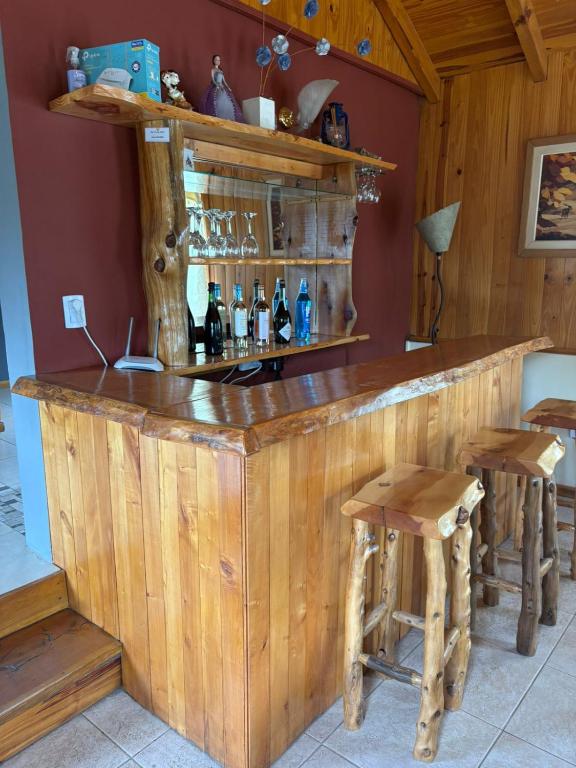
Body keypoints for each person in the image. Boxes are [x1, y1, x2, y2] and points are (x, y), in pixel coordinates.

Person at [201, 54, 245, 122]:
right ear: (213, 61)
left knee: (226, 101)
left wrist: (228, 87)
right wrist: (217, 85)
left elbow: (224, 81)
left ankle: (227, 118)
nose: (218, 61)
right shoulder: (213, 70)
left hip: (222, 87)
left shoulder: (221, 71)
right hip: (216, 87)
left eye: (219, 60)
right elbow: (213, 80)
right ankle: (216, 117)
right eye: (216, 60)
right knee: (215, 100)